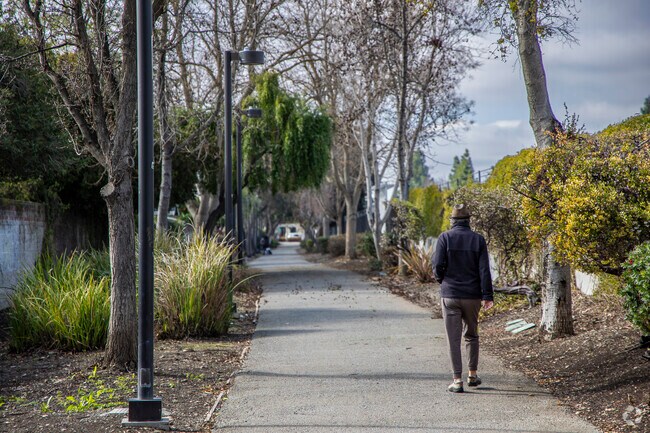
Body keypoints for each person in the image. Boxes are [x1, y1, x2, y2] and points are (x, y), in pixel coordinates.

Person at [433, 204, 494, 393]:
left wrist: (441, 279)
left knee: (453, 339)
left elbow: (437, 265)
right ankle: (472, 375)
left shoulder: (444, 238)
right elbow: (484, 269)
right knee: (472, 335)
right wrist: (487, 295)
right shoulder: (478, 240)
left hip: (450, 295)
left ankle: (457, 380)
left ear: (452, 221)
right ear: (469, 221)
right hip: (472, 296)